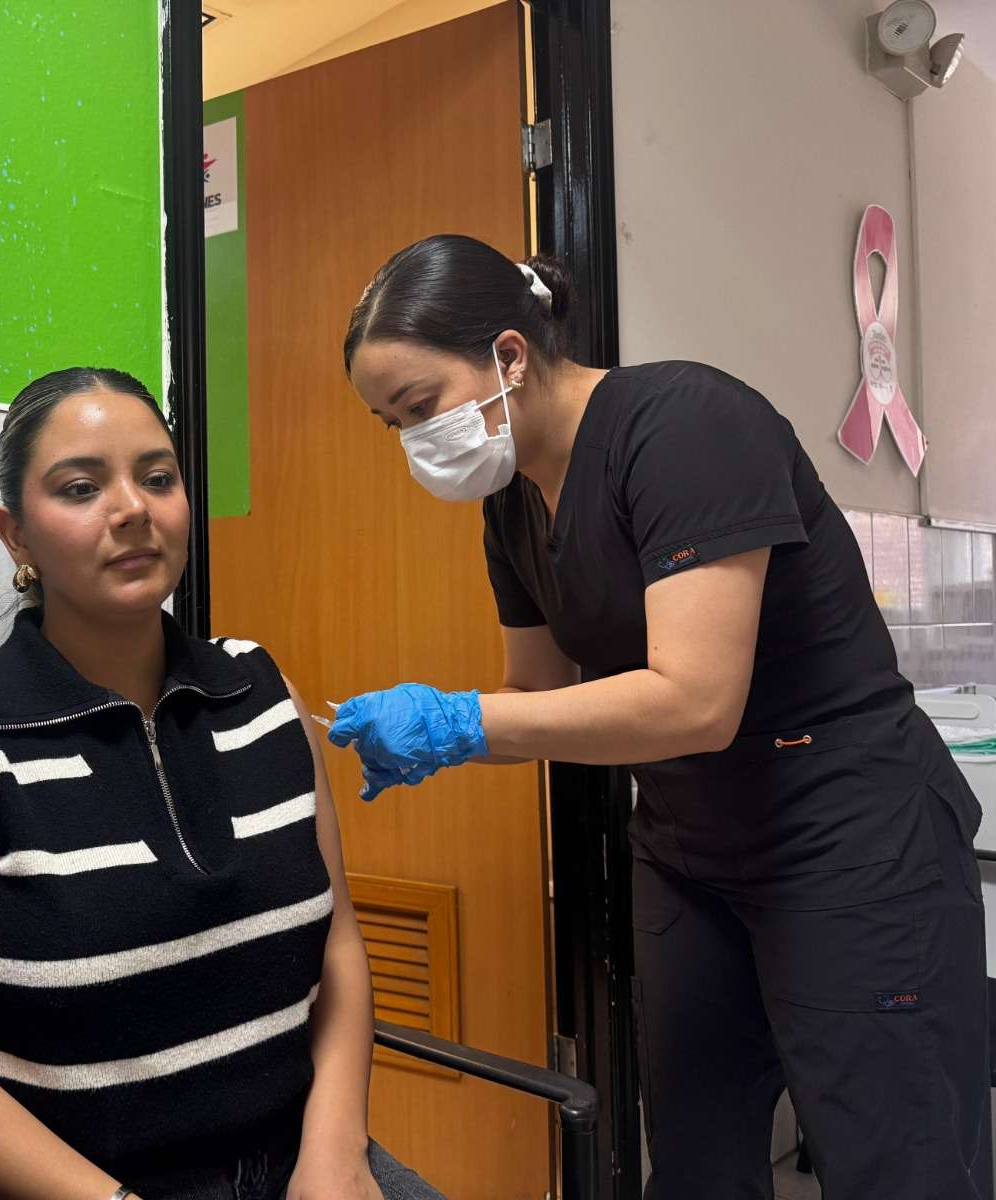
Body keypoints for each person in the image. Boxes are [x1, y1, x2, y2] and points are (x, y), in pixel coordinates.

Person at [327, 234, 990, 1200]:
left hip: (845, 836)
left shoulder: (685, 425)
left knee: (897, 1165)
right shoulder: (513, 508)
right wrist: (436, 735)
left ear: (509, 356)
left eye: (420, 407)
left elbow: (697, 698)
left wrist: (460, 724)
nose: (414, 441)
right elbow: (538, 697)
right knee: (694, 1161)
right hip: (687, 850)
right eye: (391, 424)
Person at [0, 367, 443, 1200]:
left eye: (157, 478)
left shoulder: (262, 692)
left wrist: (337, 1153)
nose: (133, 509)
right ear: (16, 536)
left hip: (308, 1170)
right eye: (82, 487)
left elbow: (337, 941)